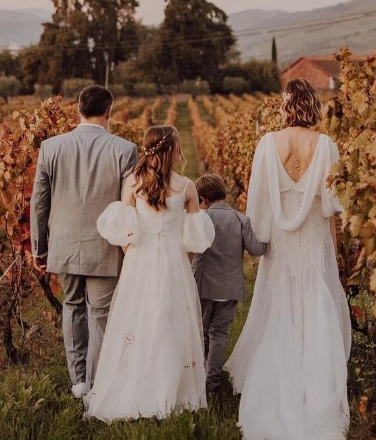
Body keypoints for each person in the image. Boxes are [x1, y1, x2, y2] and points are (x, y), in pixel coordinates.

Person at [224, 78, 352, 440]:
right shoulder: (327, 145)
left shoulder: (268, 144)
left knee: (279, 306)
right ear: (313, 106)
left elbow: (258, 199)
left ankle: (277, 376)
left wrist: (260, 238)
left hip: (281, 239)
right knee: (318, 302)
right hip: (313, 235)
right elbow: (332, 204)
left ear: (286, 106)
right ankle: (318, 381)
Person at [84, 125, 215, 421]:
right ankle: (169, 388)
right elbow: (196, 239)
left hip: (139, 260)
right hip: (173, 262)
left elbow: (124, 232)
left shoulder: (133, 182)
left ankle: (137, 385)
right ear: (174, 151)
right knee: (170, 320)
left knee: (138, 318)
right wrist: (182, 257)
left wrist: (135, 257)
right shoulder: (186, 187)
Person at [30, 85, 138, 400]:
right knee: (101, 314)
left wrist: (39, 248)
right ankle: (98, 383)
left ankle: (78, 381)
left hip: (63, 245)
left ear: (78, 109)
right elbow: (127, 206)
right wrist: (130, 247)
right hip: (105, 247)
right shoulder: (124, 149)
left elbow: (39, 202)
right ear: (108, 112)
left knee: (73, 307)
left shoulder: (50, 147)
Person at [192, 174, 266, 394]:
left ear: (203, 199)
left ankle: (200, 379)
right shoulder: (241, 220)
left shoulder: (202, 218)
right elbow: (257, 250)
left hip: (204, 285)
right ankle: (212, 382)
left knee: (202, 331)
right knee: (220, 332)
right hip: (231, 286)